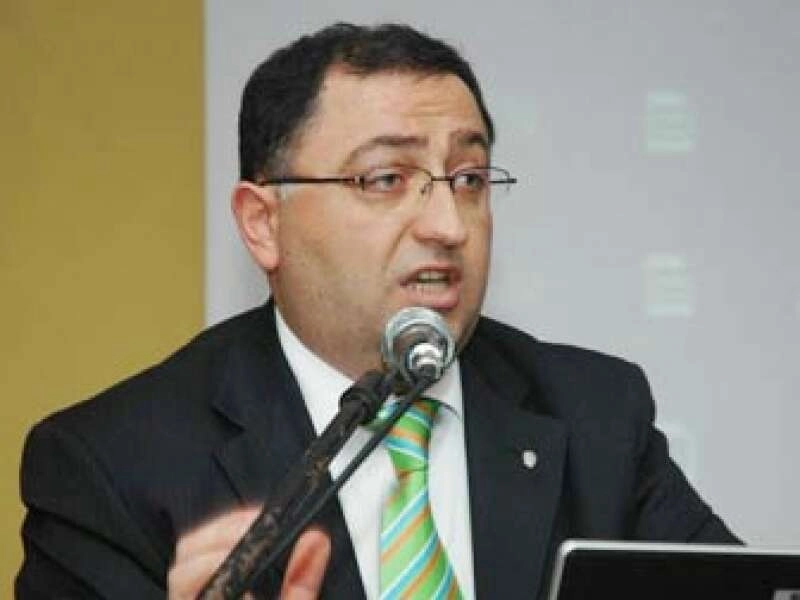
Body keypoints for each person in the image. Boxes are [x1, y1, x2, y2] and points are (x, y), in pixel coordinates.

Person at [16, 23, 738, 599]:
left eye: (469, 178)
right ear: (263, 223)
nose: (448, 225)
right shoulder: (109, 468)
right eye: (387, 178)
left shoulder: (597, 417)